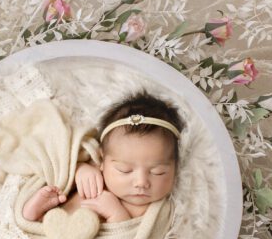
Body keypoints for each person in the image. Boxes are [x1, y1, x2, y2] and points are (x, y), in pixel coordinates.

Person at [22, 91, 185, 223]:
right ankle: (34, 215)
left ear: (175, 166)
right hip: (50, 226)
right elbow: (59, 161)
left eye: (158, 172)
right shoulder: (97, 170)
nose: (141, 182)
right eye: (124, 170)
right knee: (51, 195)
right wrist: (79, 169)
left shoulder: (157, 212)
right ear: (102, 159)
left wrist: (117, 214)